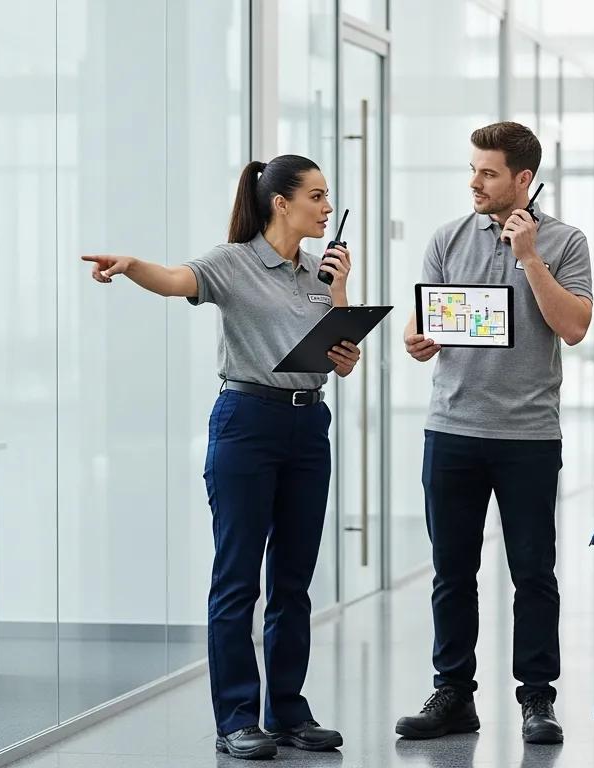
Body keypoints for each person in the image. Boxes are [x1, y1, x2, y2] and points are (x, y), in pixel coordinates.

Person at [81, 155, 355, 761]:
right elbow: (177, 279)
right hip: (247, 424)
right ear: (280, 203)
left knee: (294, 580)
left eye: (327, 196)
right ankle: (236, 716)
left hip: (309, 424)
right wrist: (130, 267)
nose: (326, 207)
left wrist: (339, 304)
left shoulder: (316, 270)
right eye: (316, 196)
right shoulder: (233, 263)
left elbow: (335, 351)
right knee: (237, 577)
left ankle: (287, 711)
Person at [395, 122, 592, 746]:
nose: (474, 182)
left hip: (528, 436)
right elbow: (420, 327)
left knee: (534, 572)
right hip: (451, 428)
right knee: (451, 572)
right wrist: (417, 341)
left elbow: (574, 327)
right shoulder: (447, 238)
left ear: (522, 179)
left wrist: (528, 256)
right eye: (473, 169)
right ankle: (453, 692)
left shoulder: (565, 242)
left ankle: (537, 698)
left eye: (488, 172)